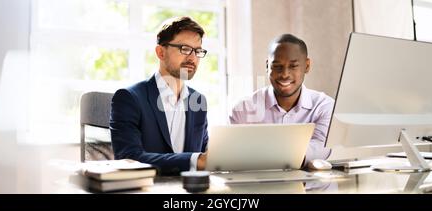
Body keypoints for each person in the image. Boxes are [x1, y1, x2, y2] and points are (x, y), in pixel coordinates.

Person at [110, 17, 208, 175]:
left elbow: (205, 155)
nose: (192, 58)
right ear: (160, 52)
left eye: (197, 51)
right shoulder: (129, 98)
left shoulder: (198, 101)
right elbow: (128, 158)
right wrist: (194, 160)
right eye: (184, 49)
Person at [229, 34, 334, 165]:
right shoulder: (244, 109)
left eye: (293, 66)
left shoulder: (324, 106)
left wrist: (261, 152)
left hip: (310, 185)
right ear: (268, 66)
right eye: (277, 66)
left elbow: (320, 147)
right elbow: (233, 155)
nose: (284, 74)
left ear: (307, 66)